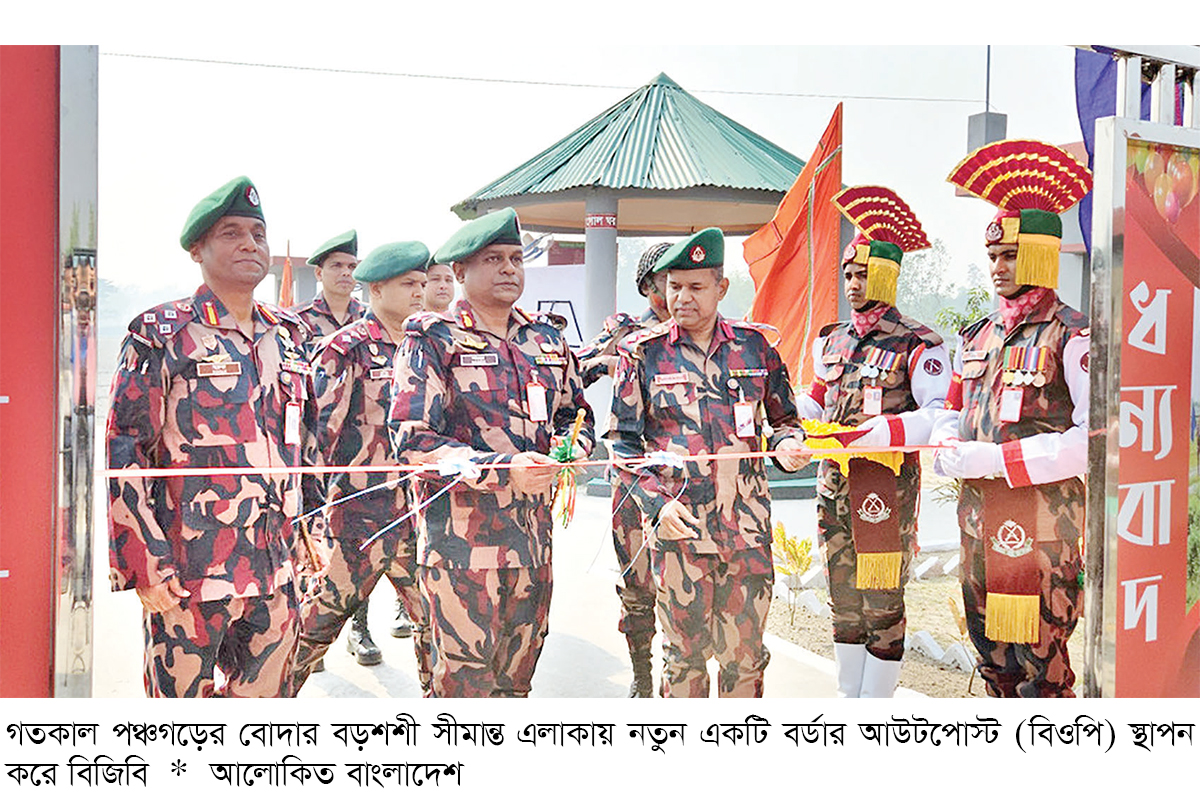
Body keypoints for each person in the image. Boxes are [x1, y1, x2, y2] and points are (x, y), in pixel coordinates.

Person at [107, 175, 325, 698]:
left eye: (258, 233)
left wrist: (313, 533)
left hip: (276, 570)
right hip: (189, 574)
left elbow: (308, 447)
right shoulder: (161, 332)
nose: (250, 244)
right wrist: (144, 564)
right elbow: (125, 449)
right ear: (197, 250)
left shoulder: (290, 336)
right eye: (231, 233)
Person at [388, 207, 594, 697]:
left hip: (533, 546)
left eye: (516, 259)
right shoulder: (431, 340)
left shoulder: (545, 338)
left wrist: (572, 450)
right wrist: (505, 471)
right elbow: (414, 441)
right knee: (463, 688)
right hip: (462, 551)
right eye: (495, 259)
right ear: (459, 273)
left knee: (516, 685)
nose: (509, 269)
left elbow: (575, 413)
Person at [609, 227, 807, 698]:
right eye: (675, 286)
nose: (682, 297)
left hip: (746, 533)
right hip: (680, 534)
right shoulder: (642, 354)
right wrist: (657, 506)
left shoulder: (755, 349)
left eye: (696, 287)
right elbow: (621, 445)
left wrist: (788, 445)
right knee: (683, 661)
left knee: (746, 658)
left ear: (721, 288)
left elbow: (785, 419)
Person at [937, 139, 1092, 697]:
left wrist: (1001, 460)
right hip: (980, 526)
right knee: (994, 663)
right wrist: (943, 444)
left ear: (1042, 255)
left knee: (1043, 671)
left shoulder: (1072, 335)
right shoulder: (978, 335)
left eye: (1010, 256)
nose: (999, 268)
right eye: (993, 258)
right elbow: (952, 408)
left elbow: (1095, 441)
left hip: (1044, 534)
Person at [796, 186, 950, 698]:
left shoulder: (918, 343)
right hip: (833, 484)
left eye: (863, 273)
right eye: (848, 273)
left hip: (884, 487)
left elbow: (937, 414)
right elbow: (818, 400)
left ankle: (877, 704)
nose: (853, 283)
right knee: (842, 592)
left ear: (887, 274)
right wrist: (797, 414)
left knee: (882, 597)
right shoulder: (832, 338)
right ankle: (849, 697)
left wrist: (886, 430)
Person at [293, 242, 433, 692]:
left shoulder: (429, 347)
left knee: (440, 629)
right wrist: (309, 523)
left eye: (422, 283)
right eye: (408, 284)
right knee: (308, 631)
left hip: (420, 517)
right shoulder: (346, 349)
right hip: (356, 520)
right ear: (376, 290)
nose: (419, 291)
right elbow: (313, 440)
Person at [575, 241, 672, 697]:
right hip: (635, 479)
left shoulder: (708, 334)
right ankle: (642, 674)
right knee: (638, 585)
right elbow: (574, 372)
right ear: (647, 286)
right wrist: (613, 362)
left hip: (689, 483)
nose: (673, 293)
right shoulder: (628, 332)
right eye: (662, 283)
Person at [293, 229, 366, 345]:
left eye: (352, 267)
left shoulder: (370, 318)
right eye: (337, 266)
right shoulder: (297, 319)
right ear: (318, 273)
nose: (346, 272)